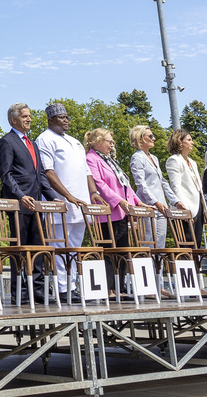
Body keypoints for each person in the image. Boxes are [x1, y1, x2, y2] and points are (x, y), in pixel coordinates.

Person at [36, 103, 102, 302]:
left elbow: (87, 172)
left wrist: (94, 192)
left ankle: (72, 286)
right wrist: (69, 196)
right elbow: (48, 172)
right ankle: (61, 289)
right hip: (60, 203)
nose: (66, 120)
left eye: (67, 117)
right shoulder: (44, 139)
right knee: (59, 246)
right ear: (50, 120)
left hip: (81, 203)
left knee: (74, 247)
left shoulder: (75, 142)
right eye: (61, 117)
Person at [0, 102, 56, 300]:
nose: (29, 119)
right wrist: (20, 196)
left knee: (38, 248)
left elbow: (40, 175)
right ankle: (19, 292)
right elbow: (6, 174)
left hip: (37, 204)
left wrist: (53, 198)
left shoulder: (33, 144)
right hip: (18, 205)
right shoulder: (7, 141)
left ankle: (38, 290)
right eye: (24, 116)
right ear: (14, 120)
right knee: (19, 250)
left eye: (29, 116)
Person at [85, 128, 140, 298]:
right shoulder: (91, 159)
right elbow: (99, 184)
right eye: (109, 141)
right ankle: (108, 288)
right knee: (108, 250)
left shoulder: (110, 160)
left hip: (121, 212)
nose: (112, 144)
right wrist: (120, 201)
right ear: (97, 142)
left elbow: (125, 184)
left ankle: (120, 288)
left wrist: (137, 202)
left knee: (123, 250)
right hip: (106, 212)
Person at [129, 125, 176, 251]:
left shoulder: (154, 158)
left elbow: (162, 181)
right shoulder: (137, 157)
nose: (154, 138)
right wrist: (155, 202)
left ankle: (159, 272)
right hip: (148, 205)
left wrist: (175, 201)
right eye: (150, 136)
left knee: (160, 247)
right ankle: (149, 271)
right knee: (149, 245)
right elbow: (140, 183)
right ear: (141, 139)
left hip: (161, 206)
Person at [165, 129, 205, 248]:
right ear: (180, 142)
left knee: (197, 243)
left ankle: (196, 267)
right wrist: (183, 208)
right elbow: (175, 186)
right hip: (185, 207)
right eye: (189, 140)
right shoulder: (174, 160)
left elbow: (199, 187)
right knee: (186, 244)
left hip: (198, 206)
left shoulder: (193, 162)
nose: (192, 142)